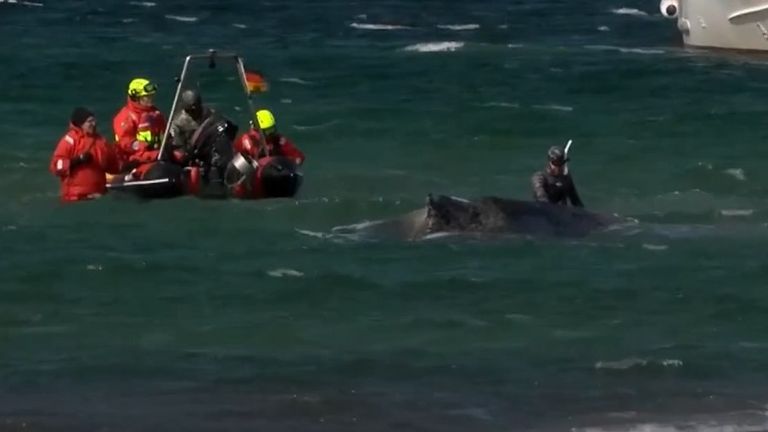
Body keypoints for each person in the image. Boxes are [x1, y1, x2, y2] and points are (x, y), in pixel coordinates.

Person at [49, 107, 120, 202]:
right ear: (81, 124)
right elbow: (55, 166)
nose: (94, 124)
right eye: (90, 121)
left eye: (94, 120)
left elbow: (113, 167)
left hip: (98, 195)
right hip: (75, 197)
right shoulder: (69, 141)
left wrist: (130, 165)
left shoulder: (102, 142)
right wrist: (77, 160)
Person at [112, 78, 167, 170]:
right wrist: (146, 148)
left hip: (158, 152)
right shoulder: (125, 117)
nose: (151, 98)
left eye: (151, 95)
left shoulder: (154, 112)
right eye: (147, 96)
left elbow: (164, 130)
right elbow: (126, 143)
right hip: (136, 160)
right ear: (136, 98)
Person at [234, 109, 305, 166]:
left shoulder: (278, 140)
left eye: (272, 130)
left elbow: (298, 156)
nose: (270, 134)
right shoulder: (245, 141)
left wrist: (291, 163)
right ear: (256, 130)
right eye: (267, 131)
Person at [169, 88, 214, 153]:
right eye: (193, 110)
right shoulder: (178, 123)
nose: (197, 111)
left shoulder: (208, 112)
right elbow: (178, 146)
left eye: (198, 107)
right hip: (193, 151)